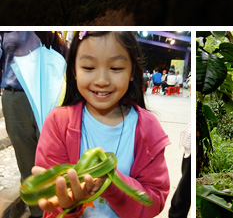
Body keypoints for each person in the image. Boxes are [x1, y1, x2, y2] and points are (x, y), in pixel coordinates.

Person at [33, 31, 169, 217]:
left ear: (132, 72)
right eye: (89, 67)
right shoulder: (58, 123)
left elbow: (154, 201)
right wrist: (70, 206)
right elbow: (51, 202)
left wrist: (111, 184)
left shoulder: (147, 127)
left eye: (116, 68)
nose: (102, 81)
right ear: (74, 70)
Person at [0, 32, 68, 218]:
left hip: (48, 93)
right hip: (16, 96)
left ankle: (59, 211)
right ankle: (39, 213)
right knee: (27, 164)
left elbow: (65, 54)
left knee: (52, 159)